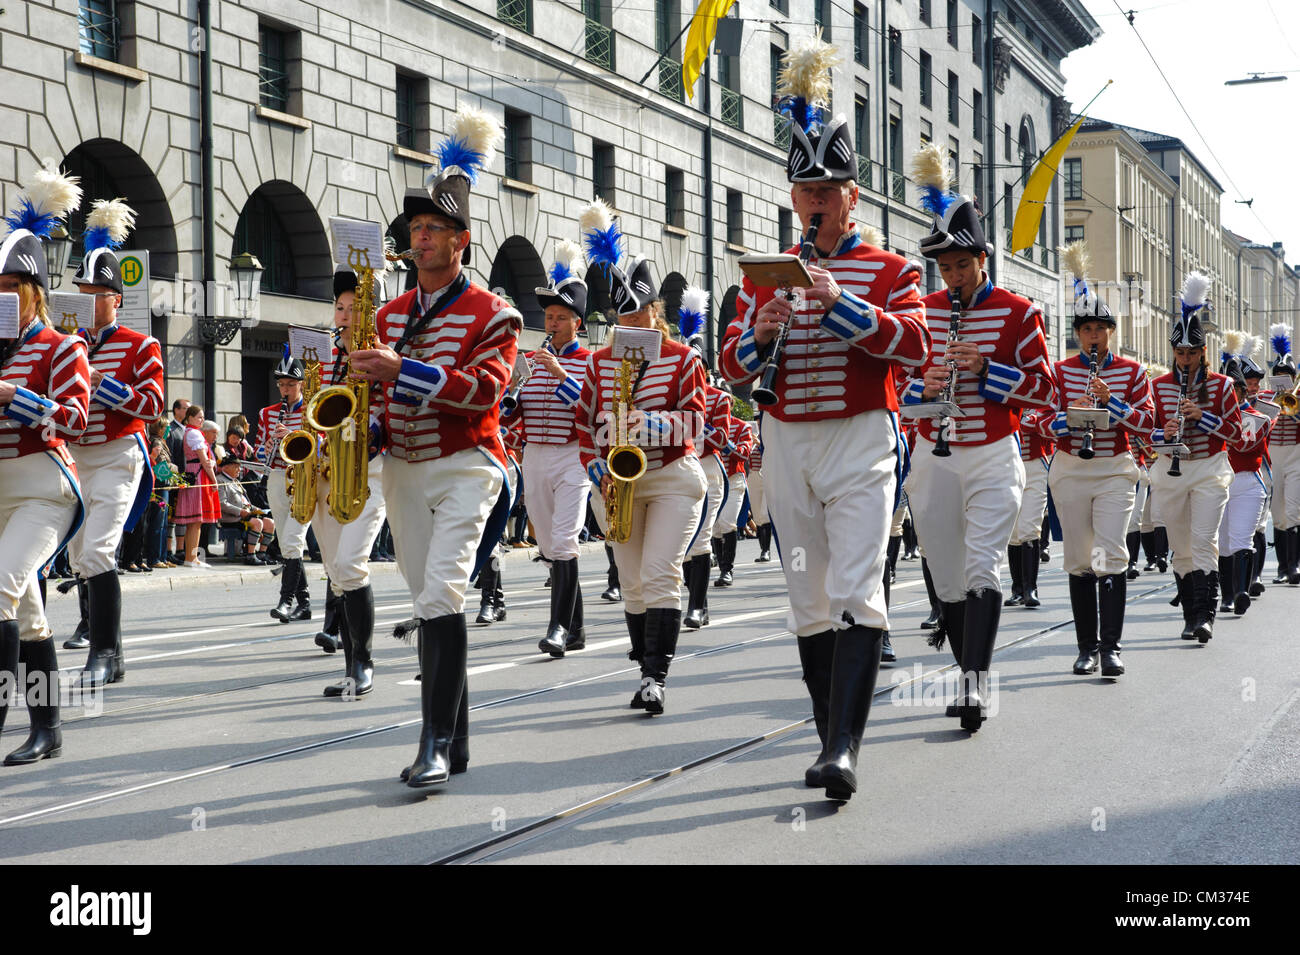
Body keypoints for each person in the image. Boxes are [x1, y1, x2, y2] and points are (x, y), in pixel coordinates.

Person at [719, 36, 929, 800]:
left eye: (829, 187)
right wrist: (760, 331)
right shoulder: (768, 269)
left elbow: (912, 342)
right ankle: (827, 733)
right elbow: (734, 370)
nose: (814, 198)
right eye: (804, 186)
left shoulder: (893, 268)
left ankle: (844, 746)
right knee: (806, 600)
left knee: (855, 586)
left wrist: (841, 302)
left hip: (860, 435)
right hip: (786, 440)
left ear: (853, 196)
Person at [348, 107, 519, 787]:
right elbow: (370, 402)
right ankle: (459, 737)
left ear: (461, 241)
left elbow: (482, 393)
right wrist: (359, 431)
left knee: (442, 591)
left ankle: (435, 743)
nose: (419, 240)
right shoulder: (384, 315)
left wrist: (401, 372)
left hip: (467, 466)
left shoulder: (492, 312)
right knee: (428, 597)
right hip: (404, 473)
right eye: (415, 230)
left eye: (433, 230)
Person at [903, 143, 1057, 732]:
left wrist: (985, 371)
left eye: (962, 264)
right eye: (946, 266)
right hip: (933, 454)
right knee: (945, 573)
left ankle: (975, 685)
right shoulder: (925, 309)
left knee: (981, 568)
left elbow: (1044, 391)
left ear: (983, 259)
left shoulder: (1019, 312)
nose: (954, 275)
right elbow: (900, 387)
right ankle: (966, 669)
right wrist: (927, 383)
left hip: (993, 453)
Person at [576, 234, 707, 715]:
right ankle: (643, 667)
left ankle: (656, 676)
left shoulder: (684, 358)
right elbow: (583, 425)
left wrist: (644, 423)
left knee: (659, 573)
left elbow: (696, 421)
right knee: (631, 582)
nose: (631, 322)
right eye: (623, 315)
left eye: (640, 313)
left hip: (672, 474)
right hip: (616, 481)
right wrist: (597, 467)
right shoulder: (599, 361)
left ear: (656, 311)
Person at [1030, 243, 1153, 678]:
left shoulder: (1133, 372)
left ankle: (1111, 648)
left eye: (1100, 328)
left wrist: (1111, 403)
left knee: (1111, 552)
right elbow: (1038, 421)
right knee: (1080, 557)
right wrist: (1070, 417)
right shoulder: (1060, 371)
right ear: (1077, 333)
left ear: (1111, 332)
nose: (1093, 336)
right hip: (1070, 468)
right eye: (1086, 329)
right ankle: (1085, 647)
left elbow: (1146, 423)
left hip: (1115, 468)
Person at [0, 164, 89, 764]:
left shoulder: (63, 346)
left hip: (43, 487)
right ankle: (48, 726)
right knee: (28, 613)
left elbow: (76, 419)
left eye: (10, 283)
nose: (0, 292)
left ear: (32, 291)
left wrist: (16, 397)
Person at [60, 199, 163, 686]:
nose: (86, 297)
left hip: (118, 455)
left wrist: (100, 382)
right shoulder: (65, 343)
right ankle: (114, 655)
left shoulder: (142, 345)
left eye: (96, 292)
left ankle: (101, 653)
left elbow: (152, 406)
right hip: (73, 457)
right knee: (81, 558)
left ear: (115, 299)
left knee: (98, 553)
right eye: (82, 289)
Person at [499, 238, 591, 656]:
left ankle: (556, 628)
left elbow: (592, 409)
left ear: (577, 323)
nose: (550, 323)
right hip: (534, 455)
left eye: (559, 317)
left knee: (565, 539)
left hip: (573, 457)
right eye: (548, 316)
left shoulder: (591, 361)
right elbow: (513, 416)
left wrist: (560, 375)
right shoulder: (529, 360)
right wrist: (509, 397)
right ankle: (576, 628)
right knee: (549, 546)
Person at [307, 264, 389, 697]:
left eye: (353, 308)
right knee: (336, 572)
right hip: (325, 471)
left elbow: (396, 407)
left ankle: (364, 665)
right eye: (339, 307)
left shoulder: (382, 352)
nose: (343, 314)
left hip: (369, 470)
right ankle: (350, 667)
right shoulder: (323, 357)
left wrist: (374, 427)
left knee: (352, 564)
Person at [1147, 273, 1242, 643]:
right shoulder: (1158, 386)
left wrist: (1202, 416)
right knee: (1181, 546)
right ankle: (1189, 615)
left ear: (1203, 351)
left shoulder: (1220, 385)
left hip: (1209, 468)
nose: (1185, 360)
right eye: (1180, 353)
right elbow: (1145, 435)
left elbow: (1235, 432)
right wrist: (1165, 434)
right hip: (1171, 469)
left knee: (1204, 540)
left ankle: (1206, 616)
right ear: (1173, 352)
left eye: (1192, 353)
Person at [678, 291, 733, 631]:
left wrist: (692, 430)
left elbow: (722, 438)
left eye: (695, 363)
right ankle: (694, 596)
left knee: (699, 539)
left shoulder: (718, 398)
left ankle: (698, 606)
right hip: (678, 465)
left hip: (708, 468)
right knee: (680, 543)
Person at [1216, 336, 1271, 616]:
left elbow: (1243, 444)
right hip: (1216, 481)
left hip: (1246, 481)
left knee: (1241, 540)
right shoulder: (1208, 417)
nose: (1230, 394)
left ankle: (1241, 591)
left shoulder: (1259, 417)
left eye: (1234, 389)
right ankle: (1227, 596)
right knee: (1223, 543)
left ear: (1239, 391)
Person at [257, 350, 313, 621]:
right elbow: (257, 452)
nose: (285, 389)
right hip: (278, 477)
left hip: (305, 478)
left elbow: (321, 443)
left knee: (293, 540)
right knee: (288, 543)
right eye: (281, 384)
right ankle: (304, 603)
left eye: (291, 384)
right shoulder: (267, 414)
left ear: (301, 384)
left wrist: (292, 435)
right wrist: (267, 448)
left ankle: (285, 602)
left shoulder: (311, 409)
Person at [1262, 324, 1299, 584]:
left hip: (1296, 456)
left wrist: (1294, 410)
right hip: (1273, 457)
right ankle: (1282, 567)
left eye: (1287, 374)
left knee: (1295, 510)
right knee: (1278, 512)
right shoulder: (1266, 397)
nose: (1284, 378)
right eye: (1280, 374)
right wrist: (1275, 405)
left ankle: (1294, 566)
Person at [1005, 414, 1053, 607]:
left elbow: (1046, 423)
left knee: (1029, 527)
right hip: (1007, 465)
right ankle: (1017, 589)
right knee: (1014, 532)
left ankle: (1030, 588)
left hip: (1035, 464)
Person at [712, 394, 755, 588]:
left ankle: (727, 570)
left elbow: (744, 453)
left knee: (726, 522)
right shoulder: (708, 425)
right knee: (714, 528)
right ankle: (722, 568)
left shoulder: (741, 426)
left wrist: (724, 443)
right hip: (713, 480)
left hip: (733, 479)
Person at [172, 404, 218, 566]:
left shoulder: (191, 432)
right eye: (199, 417)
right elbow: (204, 461)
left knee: (196, 521)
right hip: (198, 473)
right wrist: (214, 480)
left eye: (203, 417)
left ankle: (193, 557)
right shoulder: (194, 434)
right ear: (190, 418)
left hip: (196, 470)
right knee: (195, 520)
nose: (202, 420)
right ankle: (191, 558)